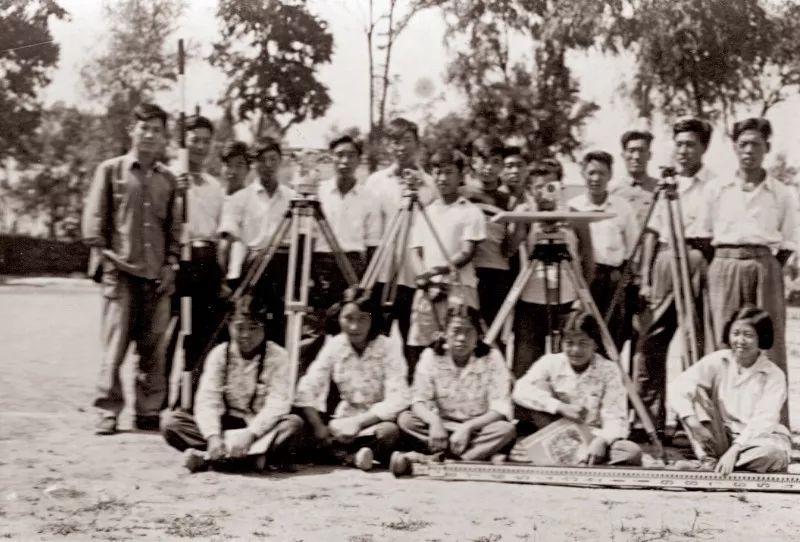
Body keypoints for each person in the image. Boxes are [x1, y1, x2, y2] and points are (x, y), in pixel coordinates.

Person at [82, 103, 181, 435]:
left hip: (157, 275)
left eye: (157, 130)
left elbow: (174, 229)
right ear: (132, 131)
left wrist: (170, 264)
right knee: (115, 347)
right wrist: (105, 262)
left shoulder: (169, 179)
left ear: (164, 136)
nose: (150, 135)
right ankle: (108, 410)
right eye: (144, 128)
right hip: (121, 271)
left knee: (154, 349)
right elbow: (94, 224)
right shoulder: (111, 171)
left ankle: (148, 410)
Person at [698, 118, 797, 427]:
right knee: (723, 342)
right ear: (734, 148)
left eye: (755, 144)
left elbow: (788, 241)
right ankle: (719, 424)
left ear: (767, 148)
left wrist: (764, 266)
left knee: (768, 342)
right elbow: (703, 235)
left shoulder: (781, 192)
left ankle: (771, 424)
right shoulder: (716, 189)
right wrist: (726, 265)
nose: (749, 150)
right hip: (724, 263)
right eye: (743, 144)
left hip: (764, 265)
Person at [634, 117, 715, 437]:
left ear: (704, 148)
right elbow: (652, 233)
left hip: (700, 257)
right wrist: (645, 276)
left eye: (690, 145)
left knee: (697, 341)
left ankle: (693, 422)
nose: (683, 151)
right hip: (667, 258)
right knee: (652, 338)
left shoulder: (715, 185)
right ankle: (648, 420)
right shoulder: (666, 184)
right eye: (679, 144)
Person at [161, 295, 304, 473]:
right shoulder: (219, 354)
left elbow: (278, 403)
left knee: (293, 425)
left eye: (253, 328)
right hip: (224, 426)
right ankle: (249, 461)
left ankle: (210, 461)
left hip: (259, 429)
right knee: (172, 422)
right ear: (229, 325)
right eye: (239, 328)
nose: (246, 335)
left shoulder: (278, 355)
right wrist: (213, 437)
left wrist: (251, 434)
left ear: (264, 327)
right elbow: (208, 399)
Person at [294, 287, 410, 471]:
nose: (354, 327)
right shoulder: (335, 345)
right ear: (338, 317)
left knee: (389, 433)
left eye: (362, 318)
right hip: (341, 422)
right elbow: (308, 385)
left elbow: (399, 396)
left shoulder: (388, 347)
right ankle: (353, 457)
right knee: (303, 426)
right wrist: (319, 426)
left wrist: (359, 422)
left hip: (375, 422)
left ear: (373, 318)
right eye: (348, 318)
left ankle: (344, 455)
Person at [668, 306, 790, 474]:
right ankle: (713, 460)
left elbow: (764, 420)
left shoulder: (773, 375)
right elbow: (678, 386)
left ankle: (711, 465)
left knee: (774, 456)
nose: (740, 340)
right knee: (695, 391)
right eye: (736, 333)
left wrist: (735, 450)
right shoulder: (718, 360)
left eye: (748, 335)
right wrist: (692, 421)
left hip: (756, 441)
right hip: (720, 438)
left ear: (762, 337)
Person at [512, 311, 642, 466]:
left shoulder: (609, 370)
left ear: (595, 344)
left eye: (583, 343)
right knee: (539, 387)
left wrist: (602, 441)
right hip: (556, 434)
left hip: (593, 436)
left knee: (631, 452)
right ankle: (576, 459)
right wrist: (560, 407)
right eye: (569, 343)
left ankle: (573, 458)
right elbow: (519, 390)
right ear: (561, 343)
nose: (575, 350)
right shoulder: (550, 362)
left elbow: (615, 416)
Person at [394, 302, 516, 467]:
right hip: (442, 428)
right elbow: (418, 401)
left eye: (469, 331)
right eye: (456, 331)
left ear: (478, 335)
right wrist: (435, 423)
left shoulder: (492, 358)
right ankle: (470, 457)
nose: (461, 338)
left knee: (505, 429)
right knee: (406, 420)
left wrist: (468, 427)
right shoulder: (431, 356)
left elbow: (500, 408)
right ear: (444, 334)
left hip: (478, 429)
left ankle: (438, 460)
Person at [509, 160, 594, 379]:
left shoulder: (575, 217)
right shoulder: (527, 216)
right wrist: (522, 221)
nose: (544, 193)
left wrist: (581, 300)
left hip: (568, 299)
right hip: (531, 298)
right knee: (526, 363)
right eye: (538, 187)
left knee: (564, 365)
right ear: (530, 190)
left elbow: (589, 262)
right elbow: (508, 250)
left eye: (550, 186)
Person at [407, 148, 487, 374]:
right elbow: (415, 251)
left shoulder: (471, 212)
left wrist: (437, 273)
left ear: (460, 175)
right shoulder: (425, 212)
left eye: (449, 172)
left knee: (459, 344)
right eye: (437, 172)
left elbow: (467, 252)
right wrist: (425, 280)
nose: (442, 178)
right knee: (423, 344)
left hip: (459, 289)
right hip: (428, 290)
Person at [168, 114, 227, 407]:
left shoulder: (215, 186)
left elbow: (219, 232)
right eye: (195, 140)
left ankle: (188, 402)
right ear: (183, 142)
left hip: (206, 264)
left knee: (201, 337)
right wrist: (176, 194)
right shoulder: (170, 178)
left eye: (206, 141)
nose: (200, 147)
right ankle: (154, 404)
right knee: (169, 336)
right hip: (179, 260)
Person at [364, 118, 436, 348]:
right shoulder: (375, 182)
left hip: (415, 274)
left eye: (407, 140)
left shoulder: (431, 184)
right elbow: (371, 231)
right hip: (382, 272)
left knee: (412, 341)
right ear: (388, 145)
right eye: (395, 141)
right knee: (375, 338)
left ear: (417, 143)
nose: (401, 147)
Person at [218, 138, 296, 342]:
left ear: (280, 161)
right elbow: (226, 241)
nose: (268, 165)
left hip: (283, 273)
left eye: (273, 159)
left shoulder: (293, 198)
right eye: (262, 160)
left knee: (280, 331)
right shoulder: (240, 199)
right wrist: (223, 280)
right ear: (253, 163)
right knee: (250, 330)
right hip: (252, 273)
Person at [569, 151, 638, 350]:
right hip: (582, 278)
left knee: (611, 335)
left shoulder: (622, 207)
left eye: (601, 173)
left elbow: (633, 247)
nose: (596, 178)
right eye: (591, 173)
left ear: (610, 175)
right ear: (583, 174)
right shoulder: (572, 207)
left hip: (612, 279)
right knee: (581, 330)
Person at [312, 135, 381, 316]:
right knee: (318, 322)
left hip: (353, 267)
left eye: (351, 155)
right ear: (331, 157)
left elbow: (373, 246)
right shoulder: (317, 193)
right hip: (320, 265)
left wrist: (366, 285)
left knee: (349, 321)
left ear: (359, 159)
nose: (345, 161)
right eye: (340, 154)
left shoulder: (370, 198)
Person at [463, 136, 513, 326]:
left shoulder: (508, 200)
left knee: (493, 331)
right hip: (467, 269)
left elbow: (509, 244)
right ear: (473, 162)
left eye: (495, 162)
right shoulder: (461, 194)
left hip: (496, 272)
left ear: (502, 166)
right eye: (484, 160)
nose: (489, 167)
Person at [218, 140, 251, 288]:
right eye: (228, 165)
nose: (233, 171)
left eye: (239, 165)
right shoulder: (215, 196)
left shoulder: (253, 199)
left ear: (248, 169)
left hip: (240, 275)